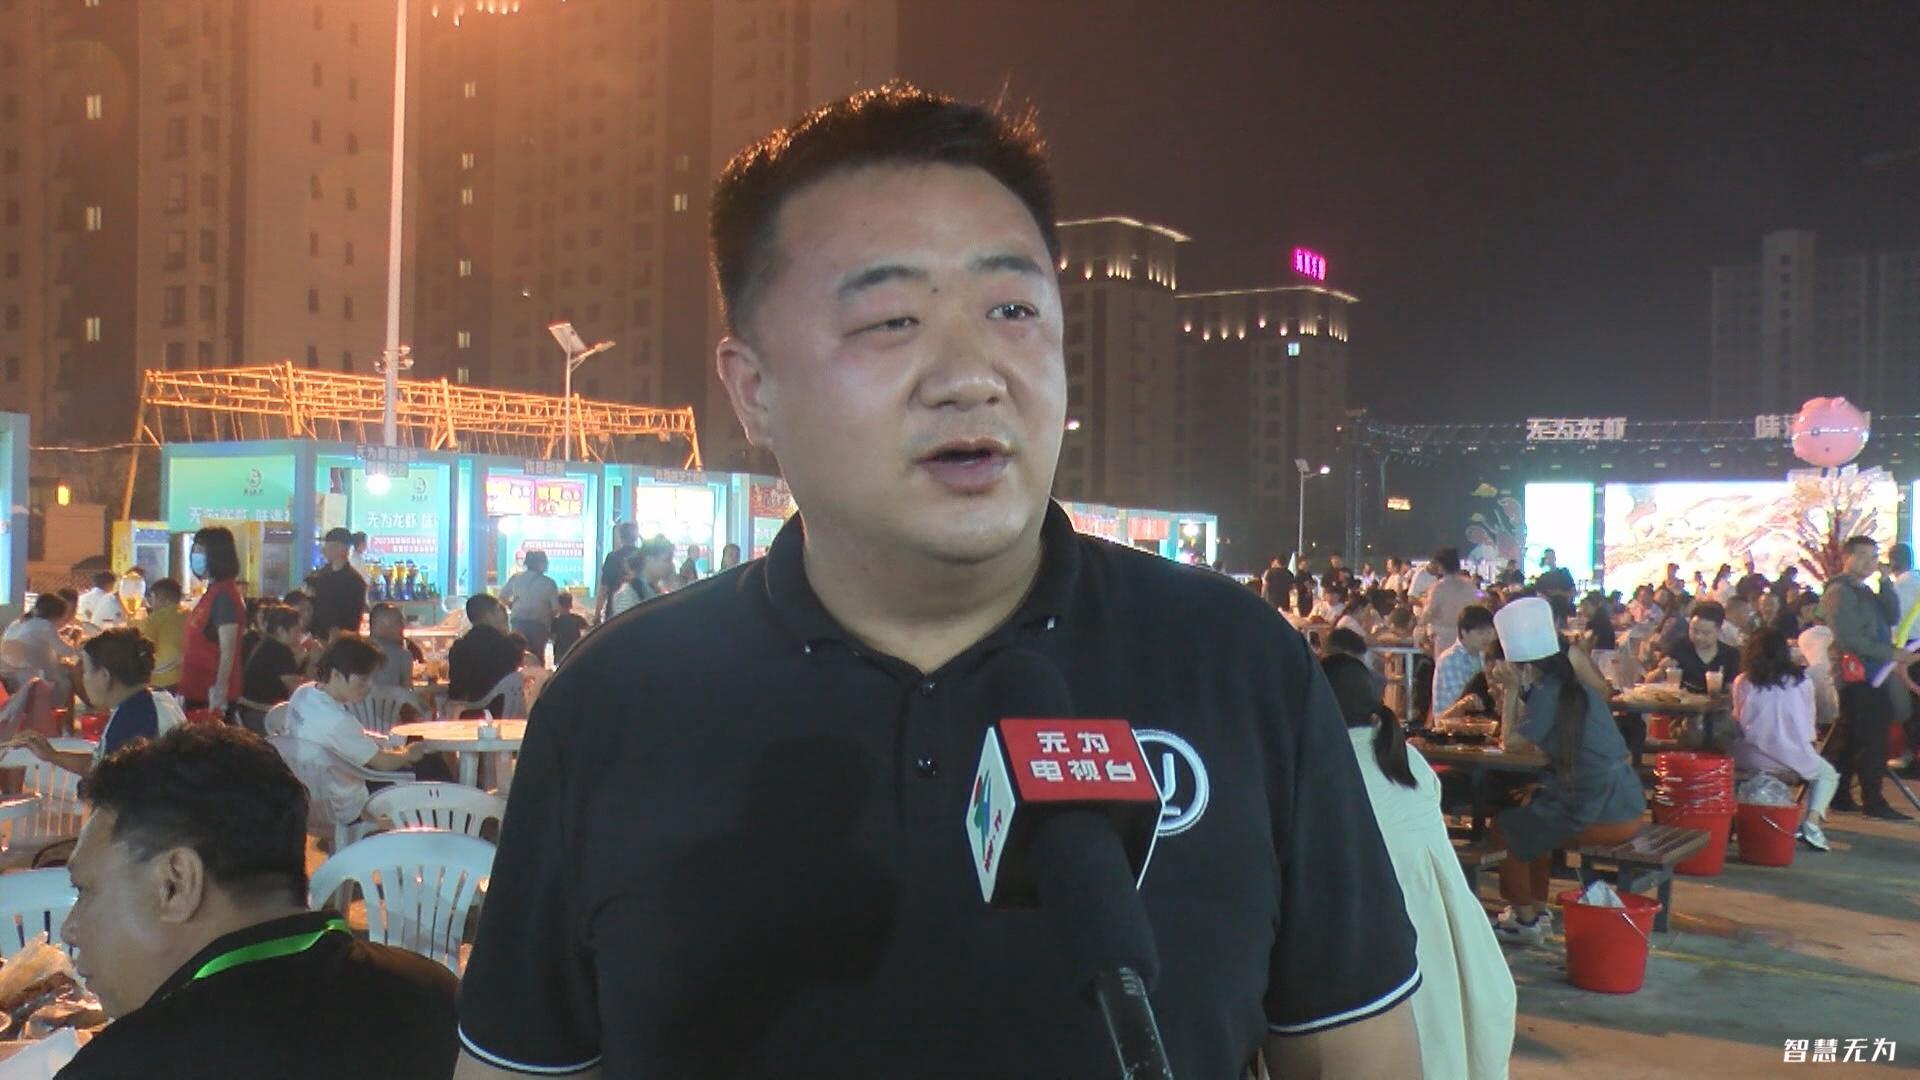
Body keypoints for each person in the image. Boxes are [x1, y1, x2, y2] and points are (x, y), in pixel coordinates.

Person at [451, 84, 1421, 1080]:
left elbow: (1361, 1057)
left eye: (1014, 310)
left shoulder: (1235, 662)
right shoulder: (616, 704)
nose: (971, 374)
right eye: (891, 320)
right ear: (754, 389)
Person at [55, 726, 458, 1079]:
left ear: (176, 883)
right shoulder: (436, 998)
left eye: (85, 890)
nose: (69, 929)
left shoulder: (122, 1065)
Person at [1322, 652, 1516, 1079]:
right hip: (1448, 922)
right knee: (1442, 1036)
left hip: (1382, 931)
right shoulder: (1405, 756)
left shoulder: (1326, 767)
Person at [1487, 597, 1647, 944]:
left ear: (1525, 668)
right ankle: (1536, 910)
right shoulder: (1574, 689)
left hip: (1604, 813)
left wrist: (1511, 691)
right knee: (1534, 815)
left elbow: (1511, 743)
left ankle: (1525, 919)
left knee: (1505, 829)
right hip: (1625, 803)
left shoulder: (1547, 692)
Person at [285, 636, 436, 828]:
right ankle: (444, 826)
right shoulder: (338, 721)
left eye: (372, 678)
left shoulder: (303, 693)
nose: (370, 685)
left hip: (308, 797)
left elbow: (352, 740)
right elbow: (383, 763)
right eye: (363, 679)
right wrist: (408, 754)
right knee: (429, 765)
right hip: (344, 805)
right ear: (336, 674)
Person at [1819, 536, 1915, 820]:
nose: (1869, 562)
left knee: (1852, 736)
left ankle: (1840, 795)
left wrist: (1885, 584)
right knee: (1873, 738)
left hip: (1873, 672)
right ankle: (1873, 800)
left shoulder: (1865, 590)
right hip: (1857, 674)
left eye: (1873, 556)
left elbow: (1892, 615)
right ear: (1846, 557)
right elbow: (1849, 639)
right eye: (1861, 555)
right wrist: (1891, 654)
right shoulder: (1840, 591)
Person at [7, 627, 185, 778]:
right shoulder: (158, 698)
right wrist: (52, 755)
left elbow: (112, 783)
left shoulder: (133, 718)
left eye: (85, 671)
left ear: (104, 676)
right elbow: (103, 764)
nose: (82, 678)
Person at [1731, 627, 1839, 851]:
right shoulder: (1802, 681)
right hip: (1793, 756)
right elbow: (1809, 720)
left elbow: (1738, 720)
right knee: (1828, 775)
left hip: (1749, 756)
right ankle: (1812, 824)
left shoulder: (1744, 681)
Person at [177, 527, 245, 720]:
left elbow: (228, 648)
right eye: (195, 549)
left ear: (217, 555)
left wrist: (220, 688)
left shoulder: (225, 596)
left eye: (201, 550)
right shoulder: (212, 592)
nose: (195, 555)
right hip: (195, 689)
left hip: (210, 696)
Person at [447, 594, 525, 714]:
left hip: (473, 712)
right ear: (489, 615)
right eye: (498, 611)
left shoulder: (460, 647)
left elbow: (456, 691)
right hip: (508, 708)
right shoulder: (507, 645)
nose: (502, 615)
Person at [236, 604, 305, 734]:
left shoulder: (266, 644)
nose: (300, 636)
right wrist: (313, 661)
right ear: (281, 631)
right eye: (297, 631)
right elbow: (301, 692)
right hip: (261, 715)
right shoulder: (280, 651)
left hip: (247, 712)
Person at [1, 594, 80, 695]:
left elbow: (35, 641)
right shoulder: (46, 626)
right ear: (56, 616)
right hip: (35, 677)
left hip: (11, 676)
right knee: (71, 675)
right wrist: (77, 642)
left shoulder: (18, 622)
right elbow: (66, 652)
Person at [1432, 604, 1496, 717]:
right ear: (1464, 632)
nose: (1487, 638)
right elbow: (1461, 700)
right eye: (1481, 633)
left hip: (1477, 719)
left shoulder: (1485, 655)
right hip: (1451, 722)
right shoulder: (1450, 659)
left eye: (1490, 632)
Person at [305, 528, 368, 642]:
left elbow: (353, 619)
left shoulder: (355, 582)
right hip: (316, 639)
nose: (324, 550)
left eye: (329, 546)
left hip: (342, 642)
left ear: (342, 548)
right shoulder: (317, 577)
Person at [500, 550, 562, 663]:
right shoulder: (549, 583)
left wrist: (511, 605)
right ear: (540, 563)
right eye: (545, 561)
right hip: (539, 624)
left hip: (517, 622)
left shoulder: (516, 578)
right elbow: (556, 609)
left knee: (517, 655)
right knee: (537, 657)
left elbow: (502, 596)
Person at [1416, 546, 1479, 654]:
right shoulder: (1470, 585)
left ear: (1441, 566)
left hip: (1444, 636)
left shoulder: (1438, 587)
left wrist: (1420, 624)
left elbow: (1430, 612)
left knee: (1445, 663)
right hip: (1468, 635)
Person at [135, 577, 187, 691]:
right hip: (187, 677)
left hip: (162, 681)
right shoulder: (189, 614)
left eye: (152, 598)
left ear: (162, 599)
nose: (151, 604)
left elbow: (141, 650)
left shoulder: (156, 619)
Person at [609, 537, 676, 616]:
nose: (671, 565)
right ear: (649, 559)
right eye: (667, 560)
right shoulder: (628, 593)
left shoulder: (657, 590)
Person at [367, 602, 420, 691]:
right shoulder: (403, 655)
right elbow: (407, 692)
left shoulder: (353, 650)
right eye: (399, 622)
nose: (403, 626)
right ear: (384, 623)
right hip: (393, 700)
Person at [597, 521, 640, 620]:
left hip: (614, 612)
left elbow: (604, 588)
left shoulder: (612, 557)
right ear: (636, 537)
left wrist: (597, 615)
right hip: (638, 610)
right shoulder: (642, 556)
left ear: (620, 537)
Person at [549, 594, 589, 664]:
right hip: (574, 650)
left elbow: (552, 637)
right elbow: (588, 629)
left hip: (560, 652)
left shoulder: (556, 622)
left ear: (558, 605)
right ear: (570, 605)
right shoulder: (577, 619)